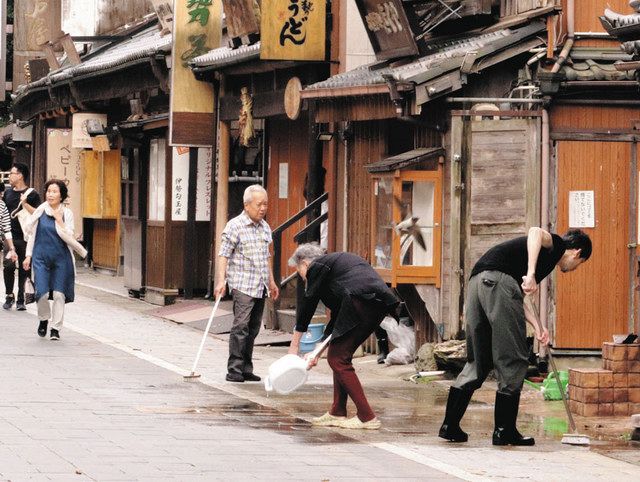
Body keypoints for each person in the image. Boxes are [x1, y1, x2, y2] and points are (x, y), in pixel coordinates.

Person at [438, 227, 592, 446]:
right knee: (513, 358)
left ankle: (449, 426)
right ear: (577, 252)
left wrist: (538, 326)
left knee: (478, 361)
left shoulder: (528, 259)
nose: (574, 269)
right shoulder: (556, 245)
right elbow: (535, 231)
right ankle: (504, 431)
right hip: (498, 283)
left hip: (478, 283)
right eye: (580, 264)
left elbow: (514, 296)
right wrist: (530, 274)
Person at [288, 244, 400, 430]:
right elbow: (338, 320)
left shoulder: (318, 266)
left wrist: (294, 346)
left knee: (338, 359)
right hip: (373, 303)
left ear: (305, 264)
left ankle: (367, 417)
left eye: (298, 270)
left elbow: (308, 305)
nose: (301, 276)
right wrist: (317, 350)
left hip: (362, 301)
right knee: (339, 356)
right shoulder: (336, 271)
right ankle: (337, 411)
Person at [214, 184, 279, 383]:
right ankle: (234, 369)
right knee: (240, 326)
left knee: (253, 328)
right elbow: (224, 254)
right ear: (247, 205)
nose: (263, 208)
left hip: (260, 284)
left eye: (265, 204)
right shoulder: (235, 225)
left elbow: (268, 255)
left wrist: (272, 281)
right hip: (242, 283)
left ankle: (246, 368)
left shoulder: (265, 227)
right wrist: (220, 280)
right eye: (259, 204)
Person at [23, 179, 87, 340]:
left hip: (61, 258)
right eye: (48, 191)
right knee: (42, 293)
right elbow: (32, 235)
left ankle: (55, 328)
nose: (50, 194)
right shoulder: (40, 211)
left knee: (59, 294)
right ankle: (44, 319)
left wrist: (59, 220)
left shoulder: (67, 213)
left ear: (61, 195)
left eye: (54, 191)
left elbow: (70, 236)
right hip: (40, 257)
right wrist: (28, 255)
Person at [3, 162, 41, 311]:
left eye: (12, 173)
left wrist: (25, 204)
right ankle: (9, 296)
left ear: (20, 175)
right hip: (9, 237)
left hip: (26, 237)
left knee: (25, 269)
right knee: (8, 266)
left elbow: (38, 214)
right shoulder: (7, 193)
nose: (10, 176)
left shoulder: (32, 194)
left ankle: (21, 299)